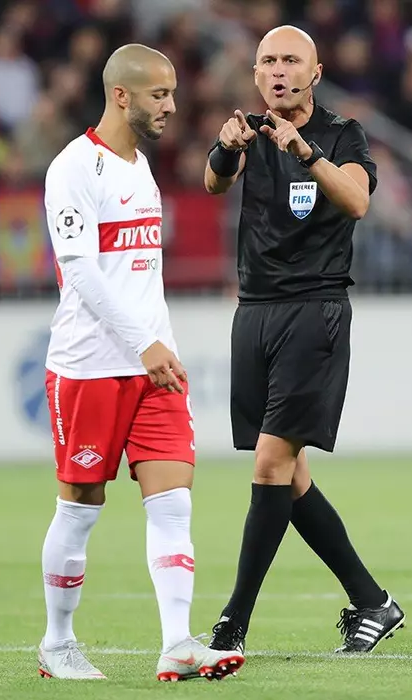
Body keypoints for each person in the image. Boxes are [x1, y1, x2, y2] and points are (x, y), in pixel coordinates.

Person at [36, 43, 244, 683]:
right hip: (89, 367)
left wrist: (158, 344)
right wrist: (143, 344)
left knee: (174, 502)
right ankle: (57, 644)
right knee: (80, 505)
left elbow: (138, 275)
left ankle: (178, 642)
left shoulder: (141, 166)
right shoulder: (73, 167)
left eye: (173, 93)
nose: (171, 106)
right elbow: (82, 274)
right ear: (121, 95)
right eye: (160, 94)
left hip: (154, 367)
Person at [203, 25, 404, 655]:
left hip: (314, 310)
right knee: (288, 475)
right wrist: (223, 147)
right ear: (256, 74)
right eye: (267, 61)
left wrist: (306, 151)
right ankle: (373, 601)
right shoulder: (250, 132)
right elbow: (215, 183)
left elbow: (357, 201)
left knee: (271, 463)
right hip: (253, 311)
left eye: (291, 60)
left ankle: (233, 623)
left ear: (315, 74)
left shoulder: (343, 135)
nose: (278, 70)